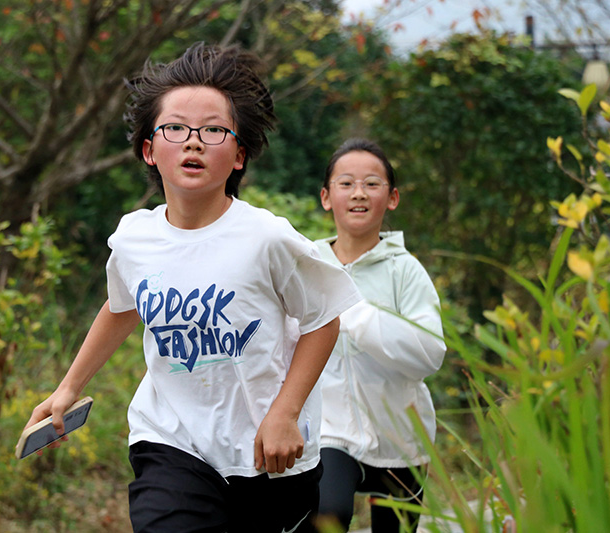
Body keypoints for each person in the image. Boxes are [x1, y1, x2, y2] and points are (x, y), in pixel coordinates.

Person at [22, 42, 362, 533]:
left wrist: (284, 414)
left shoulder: (267, 238)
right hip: (171, 440)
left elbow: (323, 318)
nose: (194, 141)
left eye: (214, 130)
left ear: (240, 155)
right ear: (149, 149)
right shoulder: (135, 238)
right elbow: (121, 307)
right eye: (176, 128)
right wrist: (67, 388)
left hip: (266, 453)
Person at [312, 139, 446, 532]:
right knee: (327, 514)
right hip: (329, 431)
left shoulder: (406, 271)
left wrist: (352, 310)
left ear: (392, 198)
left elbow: (429, 351)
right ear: (326, 197)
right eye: (346, 183)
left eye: (372, 184)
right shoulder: (308, 266)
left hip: (401, 438)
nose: (358, 193)